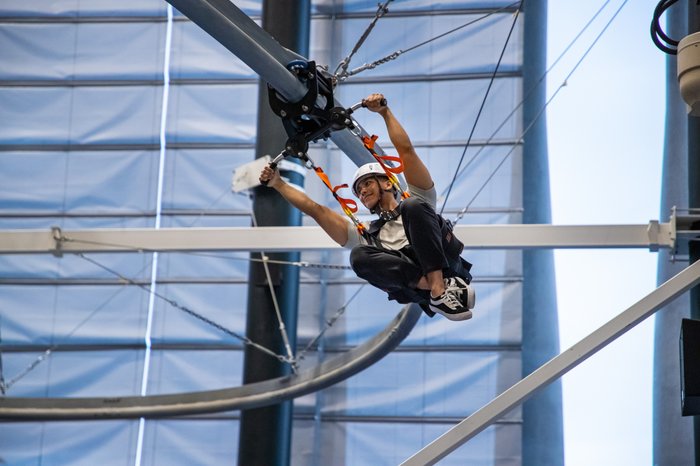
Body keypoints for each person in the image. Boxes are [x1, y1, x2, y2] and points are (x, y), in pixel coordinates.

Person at [259, 93, 475, 320]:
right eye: (358, 190)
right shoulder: (368, 235)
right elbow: (316, 210)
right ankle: (433, 289)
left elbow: (406, 151)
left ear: (387, 183)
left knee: (413, 205)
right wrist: (278, 183)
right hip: (416, 286)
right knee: (358, 255)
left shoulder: (421, 199)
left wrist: (384, 112)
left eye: (367, 183)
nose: (362, 191)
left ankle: (439, 287)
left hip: (446, 266)